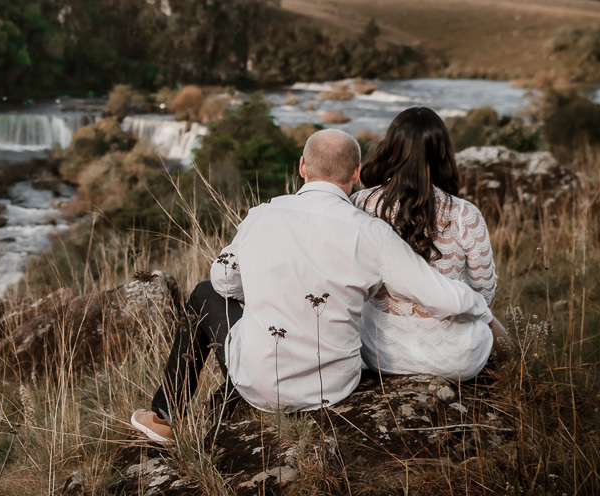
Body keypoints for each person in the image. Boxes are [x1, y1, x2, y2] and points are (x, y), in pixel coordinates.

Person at [130, 129, 493, 444]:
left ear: (303, 167)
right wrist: (481, 308)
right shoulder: (371, 233)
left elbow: (223, 281)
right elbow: (442, 296)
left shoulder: (263, 215)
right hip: (333, 389)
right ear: (357, 173)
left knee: (202, 294)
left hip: (257, 383)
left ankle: (165, 416)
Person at [352, 107, 510, 380]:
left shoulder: (361, 203)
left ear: (390, 148)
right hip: (455, 358)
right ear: (443, 155)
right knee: (492, 323)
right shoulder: (464, 214)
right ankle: (518, 378)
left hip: (380, 351)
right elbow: (483, 293)